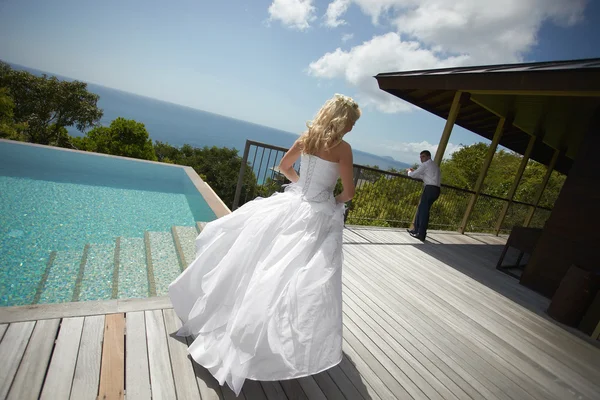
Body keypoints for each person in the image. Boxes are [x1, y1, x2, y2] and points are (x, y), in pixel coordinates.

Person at [168, 94, 360, 395]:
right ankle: (270, 339)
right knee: (293, 279)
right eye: (351, 123)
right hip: (316, 213)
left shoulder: (307, 137)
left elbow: (284, 166)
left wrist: (299, 186)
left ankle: (235, 326)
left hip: (290, 204)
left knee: (259, 265)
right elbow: (348, 192)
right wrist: (329, 201)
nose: (350, 129)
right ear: (345, 122)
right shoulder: (343, 149)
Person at [406, 150, 441, 241]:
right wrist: (416, 173)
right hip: (436, 190)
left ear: (428, 157)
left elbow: (413, 175)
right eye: (421, 157)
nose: (421, 158)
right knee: (423, 210)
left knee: (423, 212)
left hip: (429, 189)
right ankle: (416, 230)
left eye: (423, 156)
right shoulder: (435, 166)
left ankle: (421, 234)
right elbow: (425, 177)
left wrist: (409, 172)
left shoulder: (425, 164)